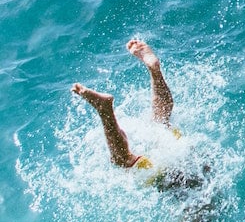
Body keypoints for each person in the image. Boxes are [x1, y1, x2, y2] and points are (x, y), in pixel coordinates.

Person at [72, 39, 206, 193]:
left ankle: (155, 71)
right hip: (172, 172)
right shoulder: (198, 207)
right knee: (124, 160)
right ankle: (105, 111)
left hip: (184, 151)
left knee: (161, 121)